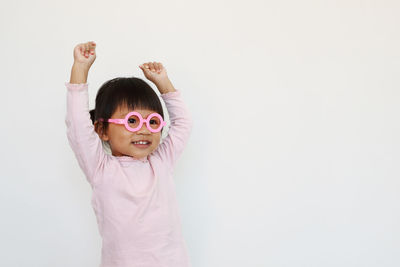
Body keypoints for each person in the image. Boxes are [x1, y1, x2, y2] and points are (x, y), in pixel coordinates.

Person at [65, 41, 193, 267]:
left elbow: (183, 124)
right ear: (102, 130)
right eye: (131, 121)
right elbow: (77, 125)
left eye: (153, 122)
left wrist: (164, 84)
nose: (144, 129)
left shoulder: (161, 162)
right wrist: (80, 70)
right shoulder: (101, 169)